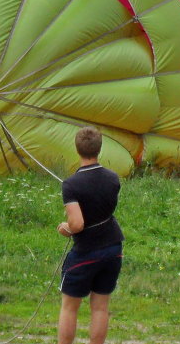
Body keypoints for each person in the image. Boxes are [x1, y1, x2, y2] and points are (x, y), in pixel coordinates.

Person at [55, 126, 124, 344]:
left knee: (69, 307)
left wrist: (65, 228)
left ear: (77, 149)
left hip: (87, 251)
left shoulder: (71, 184)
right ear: (99, 149)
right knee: (100, 306)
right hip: (113, 247)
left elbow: (77, 223)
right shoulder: (113, 178)